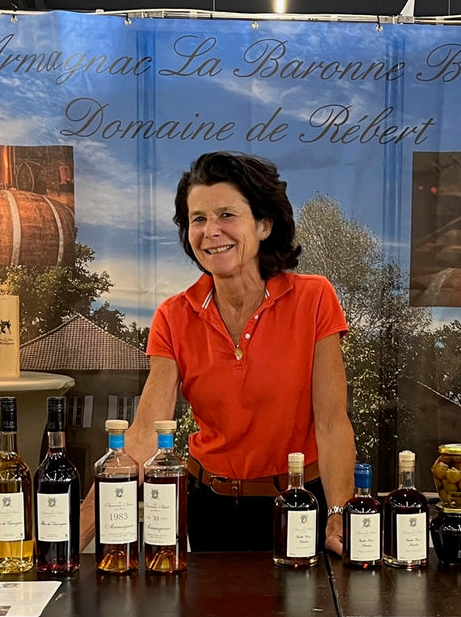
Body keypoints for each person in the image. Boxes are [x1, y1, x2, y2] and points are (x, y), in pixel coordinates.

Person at [79, 151, 356, 554]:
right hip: (209, 507)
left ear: (263, 224)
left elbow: (332, 424)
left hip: (298, 504)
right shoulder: (173, 316)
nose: (211, 231)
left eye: (227, 215)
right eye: (198, 219)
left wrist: (338, 512)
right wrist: (73, 538)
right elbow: (144, 434)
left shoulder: (314, 298)